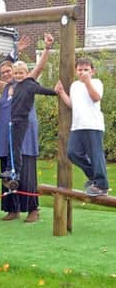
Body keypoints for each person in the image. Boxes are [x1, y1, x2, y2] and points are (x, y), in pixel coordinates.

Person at [0, 34, 53, 222]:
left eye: (8, 71)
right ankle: (13, 209)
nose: (6, 74)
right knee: (7, 171)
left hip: (24, 135)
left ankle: (32, 210)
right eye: (3, 72)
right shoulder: (3, 88)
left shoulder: (27, 83)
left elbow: (40, 67)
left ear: (15, 71)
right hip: (6, 136)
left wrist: (47, 48)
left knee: (25, 171)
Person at [55, 58, 109, 197]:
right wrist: (61, 93)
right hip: (77, 126)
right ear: (76, 71)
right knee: (73, 153)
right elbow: (73, 104)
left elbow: (96, 97)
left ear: (92, 71)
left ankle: (102, 185)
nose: (83, 72)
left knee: (95, 155)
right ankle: (94, 177)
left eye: (86, 70)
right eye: (80, 70)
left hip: (93, 125)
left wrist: (87, 82)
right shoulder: (74, 86)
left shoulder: (96, 83)